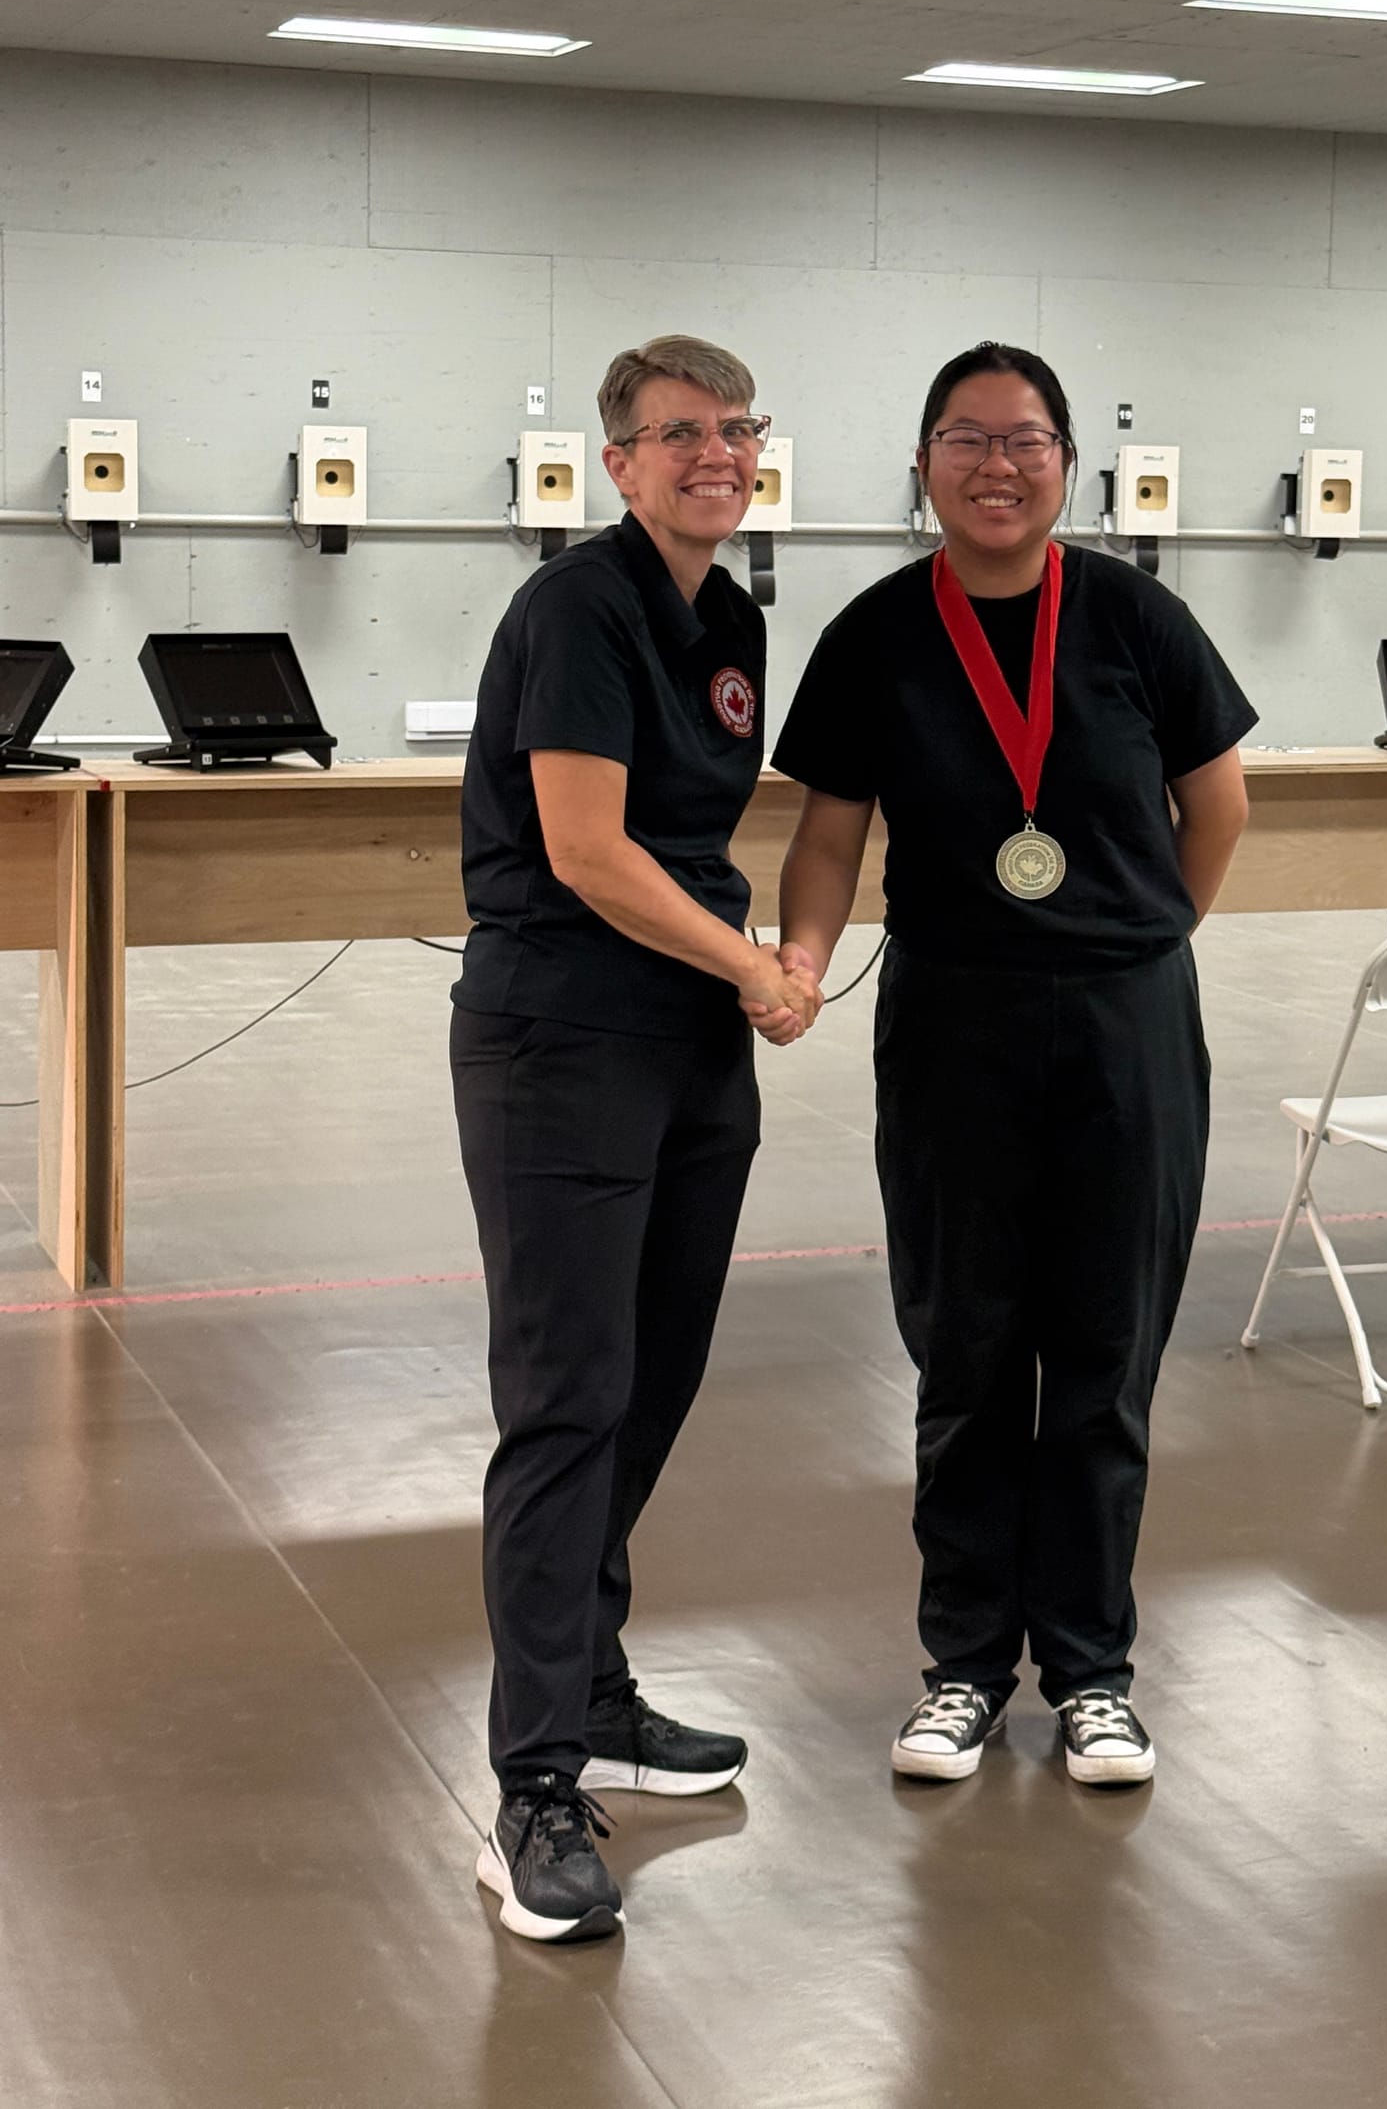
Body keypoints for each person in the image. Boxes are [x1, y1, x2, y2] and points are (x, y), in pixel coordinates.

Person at [772, 341, 1254, 1788]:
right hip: (953, 1022)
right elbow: (829, 831)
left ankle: (1095, 1674)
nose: (998, 465)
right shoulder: (874, 632)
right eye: (968, 439)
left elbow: (1215, 803)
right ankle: (965, 1669)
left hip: (1125, 1024)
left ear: (1067, 465)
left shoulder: (1135, 618)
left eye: (1027, 440)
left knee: (1106, 1357)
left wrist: (1145, 931)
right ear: (922, 463)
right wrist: (798, 957)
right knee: (968, 1352)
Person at [450, 333, 819, 1944]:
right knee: (565, 1401)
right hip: (564, 1041)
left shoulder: (730, 618)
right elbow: (591, 851)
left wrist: (760, 965)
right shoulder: (577, 610)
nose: (714, 456)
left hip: (686, 1045)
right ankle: (534, 1784)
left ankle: (593, 1691)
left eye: (735, 430)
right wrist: (756, 963)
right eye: (678, 435)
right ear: (616, 461)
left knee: (652, 1380)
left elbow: (706, 830)